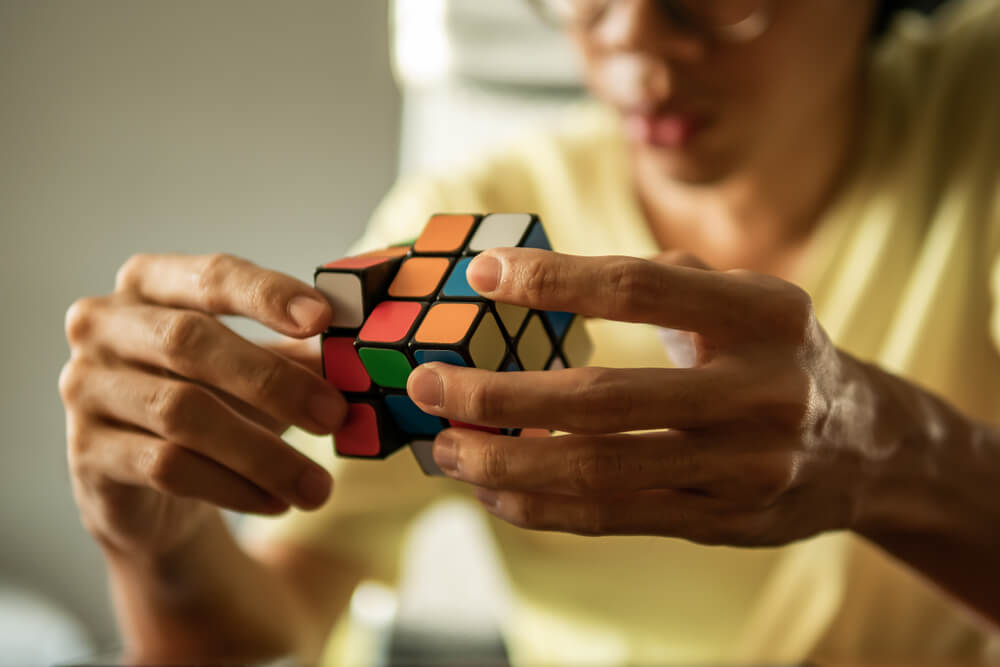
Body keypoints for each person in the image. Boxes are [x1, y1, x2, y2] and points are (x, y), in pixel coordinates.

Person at [58, 0, 1000, 664]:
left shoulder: (982, 97)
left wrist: (888, 451)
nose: (629, 37)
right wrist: (156, 549)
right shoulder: (467, 223)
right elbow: (256, 640)